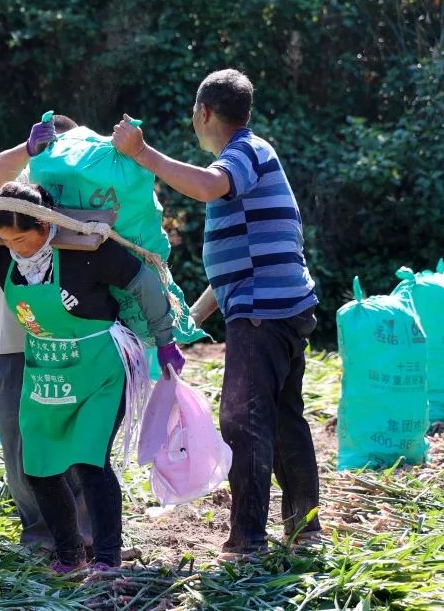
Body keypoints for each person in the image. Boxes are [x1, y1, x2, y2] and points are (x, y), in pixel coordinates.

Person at [111, 69, 322, 561]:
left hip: (262, 314)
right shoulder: (252, 157)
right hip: (279, 308)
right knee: (284, 418)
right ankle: (304, 528)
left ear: (204, 112)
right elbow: (240, 265)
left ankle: (248, 541)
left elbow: (208, 186)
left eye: (194, 113)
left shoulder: (244, 153)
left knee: (243, 421)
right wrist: (190, 319)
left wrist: (143, 154)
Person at [0, 182, 184, 571]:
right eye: (6, 239)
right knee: (40, 469)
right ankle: (70, 556)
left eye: (22, 238)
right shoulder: (3, 259)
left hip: (99, 370)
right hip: (46, 374)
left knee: (90, 463)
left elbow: (144, 283)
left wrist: (166, 341)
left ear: (44, 224)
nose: (16, 247)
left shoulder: (86, 251)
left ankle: (107, 561)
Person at [0, 115, 94, 554]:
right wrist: (27, 150)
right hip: (12, 342)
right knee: (19, 442)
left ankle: (85, 532)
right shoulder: (20, 196)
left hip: (71, 342)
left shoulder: (85, 202)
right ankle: (40, 534)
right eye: (53, 150)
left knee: (76, 437)